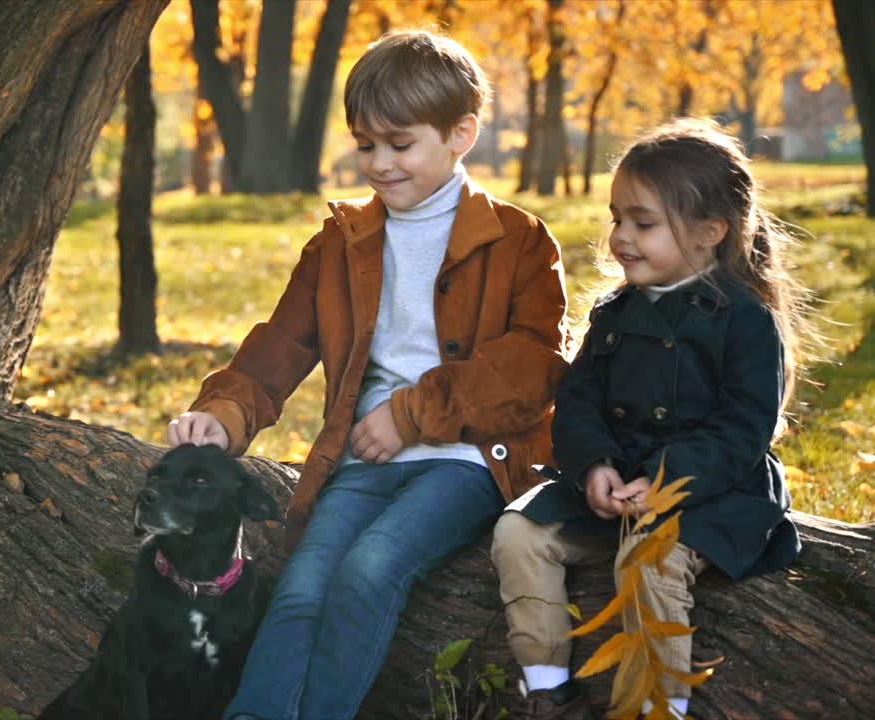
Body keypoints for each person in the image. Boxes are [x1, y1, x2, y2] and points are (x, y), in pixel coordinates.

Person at [166, 30, 571, 720]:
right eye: (365, 145)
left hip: (467, 461)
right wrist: (224, 414)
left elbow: (533, 367)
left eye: (400, 144)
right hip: (362, 459)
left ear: (461, 134)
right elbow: (280, 345)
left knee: (369, 570)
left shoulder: (519, 240)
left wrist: (413, 414)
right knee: (299, 590)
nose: (379, 164)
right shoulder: (341, 241)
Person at [490, 117, 811, 720]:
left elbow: (743, 430)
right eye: (617, 219)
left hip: (710, 489)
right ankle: (548, 687)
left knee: (647, 557)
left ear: (710, 231)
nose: (621, 237)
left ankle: (657, 706)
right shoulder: (615, 312)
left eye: (643, 223)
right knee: (518, 532)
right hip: (615, 484)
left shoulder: (743, 321)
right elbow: (579, 400)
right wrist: (593, 467)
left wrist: (666, 480)